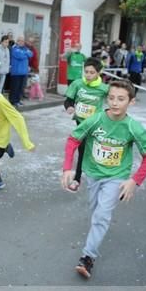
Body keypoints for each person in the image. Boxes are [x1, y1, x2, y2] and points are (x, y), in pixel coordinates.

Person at [61, 79, 146, 279]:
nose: (114, 103)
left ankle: (88, 257)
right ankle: (97, 232)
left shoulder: (133, 128)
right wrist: (67, 168)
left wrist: (134, 181)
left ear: (131, 102)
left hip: (116, 177)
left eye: (121, 99)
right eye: (111, 98)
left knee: (101, 215)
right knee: (96, 211)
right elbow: (72, 140)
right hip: (93, 174)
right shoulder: (95, 120)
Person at [63, 58, 109, 192]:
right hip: (80, 124)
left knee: (95, 151)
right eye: (86, 72)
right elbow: (68, 100)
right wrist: (69, 107)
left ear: (99, 73)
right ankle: (77, 179)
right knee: (82, 150)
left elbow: (116, 97)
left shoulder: (104, 88)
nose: (88, 75)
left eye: (92, 72)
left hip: (96, 125)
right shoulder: (77, 84)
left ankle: (101, 177)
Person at [9, 36, 32, 107]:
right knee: (15, 87)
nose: (22, 42)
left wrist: (25, 53)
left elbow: (31, 54)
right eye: (20, 41)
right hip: (16, 72)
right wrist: (26, 54)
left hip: (24, 72)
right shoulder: (14, 48)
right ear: (17, 41)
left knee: (21, 88)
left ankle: (18, 100)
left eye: (23, 41)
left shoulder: (25, 48)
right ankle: (13, 101)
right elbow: (20, 56)